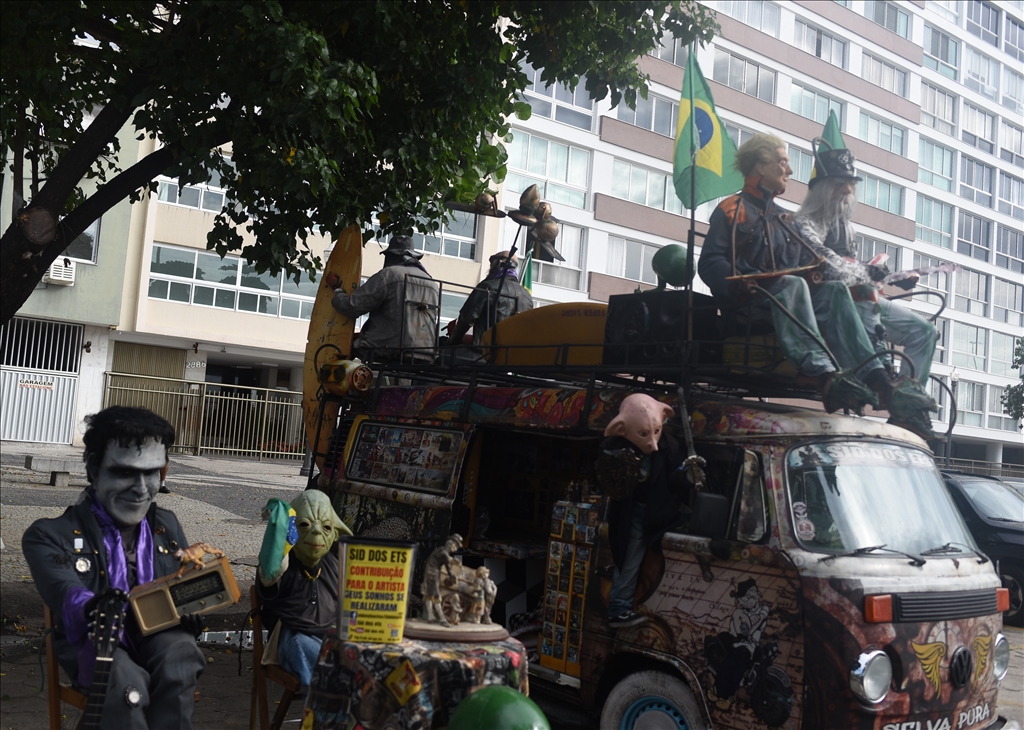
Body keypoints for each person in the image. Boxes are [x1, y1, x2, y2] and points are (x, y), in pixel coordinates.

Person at [24, 406, 206, 730]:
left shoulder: (167, 525)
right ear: (94, 468)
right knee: (124, 680)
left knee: (182, 653)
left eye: (152, 473)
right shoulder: (48, 535)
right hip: (97, 644)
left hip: (156, 635)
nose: (140, 488)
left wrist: (189, 608)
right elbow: (64, 590)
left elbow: (179, 586)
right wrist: (95, 605)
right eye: (124, 472)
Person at [697, 133, 886, 413]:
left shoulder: (785, 218)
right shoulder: (731, 209)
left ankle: (873, 373)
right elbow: (710, 263)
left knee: (832, 289)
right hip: (748, 307)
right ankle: (819, 370)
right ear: (761, 167)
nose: (790, 170)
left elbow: (810, 264)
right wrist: (742, 284)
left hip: (785, 305)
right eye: (782, 162)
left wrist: (860, 273)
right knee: (792, 285)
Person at [794, 139, 939, 438]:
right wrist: (869, 271)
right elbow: (828, 265)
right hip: (826, 306)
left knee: (925, 331)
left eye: (850, 184)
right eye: (840, 184)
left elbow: (855, 270)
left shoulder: (847, 227)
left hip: (861, 300)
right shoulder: (803, 223)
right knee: (858, 296)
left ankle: (905, 404)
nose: (848, 191)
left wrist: (891, 276)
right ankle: (882, 382)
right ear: (823, 187)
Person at [596, 394, 687, 628]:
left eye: (655, 432)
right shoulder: (615, 450)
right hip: (636, 512)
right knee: (630, 558)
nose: (653, 444)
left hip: (660, 511)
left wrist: (684, 476)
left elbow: (676, 475)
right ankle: (618, 608)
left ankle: (621, 606)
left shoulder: (669, 446)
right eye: (644, 434)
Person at [256, 491, 351, 686]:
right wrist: (279, 535)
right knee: (307, 648)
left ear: (335, 533)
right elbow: (269, 574)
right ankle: (322, 708)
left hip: (331, 638)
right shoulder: (284, 564)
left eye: (325, 527)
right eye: (305, 525)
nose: (316, 532)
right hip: (293, 639)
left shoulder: (335, 564)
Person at [329, 234, 440, 363]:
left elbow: (352, 306)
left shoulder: (389, 275)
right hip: (426, 353)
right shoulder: (432, 284)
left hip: (390, 349)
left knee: (343, 345)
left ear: (392, 255)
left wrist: (337, 291)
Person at [448, 250, 534, 346]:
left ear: (499, 263)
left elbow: (466, 318)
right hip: (512, 357)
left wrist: (452, 342)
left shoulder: (487, 287)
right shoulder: (527, 297)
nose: (490, 267)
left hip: (483, 354)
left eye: (492, 262)